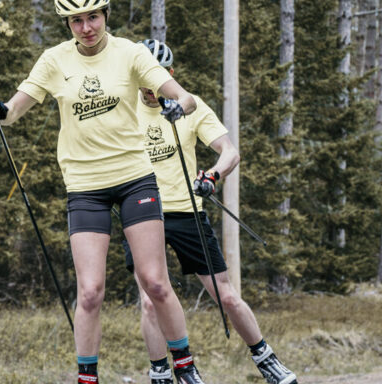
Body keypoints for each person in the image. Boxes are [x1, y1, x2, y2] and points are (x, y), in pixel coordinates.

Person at [0, 0, 207, 384]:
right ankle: (86, 379)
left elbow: (184, 96)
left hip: (135, 177)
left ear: (106, 15)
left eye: (93, 17)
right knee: (90, 292)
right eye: (76, 20)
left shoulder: (131, 54)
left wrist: (177, 104)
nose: (86, 28)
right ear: (67, 23)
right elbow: (13, 110)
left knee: (155, 282)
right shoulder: (54, 61)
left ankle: (185, 367)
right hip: (85, 185)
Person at [127, 39, 297, 384]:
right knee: (149, 301)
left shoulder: (189, 106)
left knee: (227, 296)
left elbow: (229, 152)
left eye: (154, 81)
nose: (148, 91)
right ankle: (160, 371)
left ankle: (266, 360)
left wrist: (212, 175)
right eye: (142, 83)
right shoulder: (125, 108)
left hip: (187, 211)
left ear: (169, 75)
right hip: (143, 213)